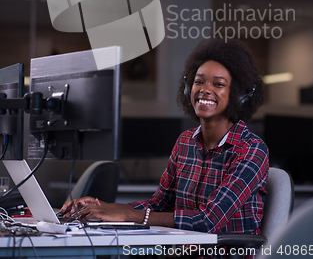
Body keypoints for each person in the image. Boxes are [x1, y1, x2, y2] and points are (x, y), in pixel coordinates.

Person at [61, 38, 269, 238]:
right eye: (199, 81)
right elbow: (160, 204)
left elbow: (208, 220)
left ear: (237, 95)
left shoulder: (251, 150)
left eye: (218, 84)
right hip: (182, 251)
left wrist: (128, 215)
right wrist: (103, 207)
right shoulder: (186, 142)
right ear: (189, 89)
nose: (205, 89)